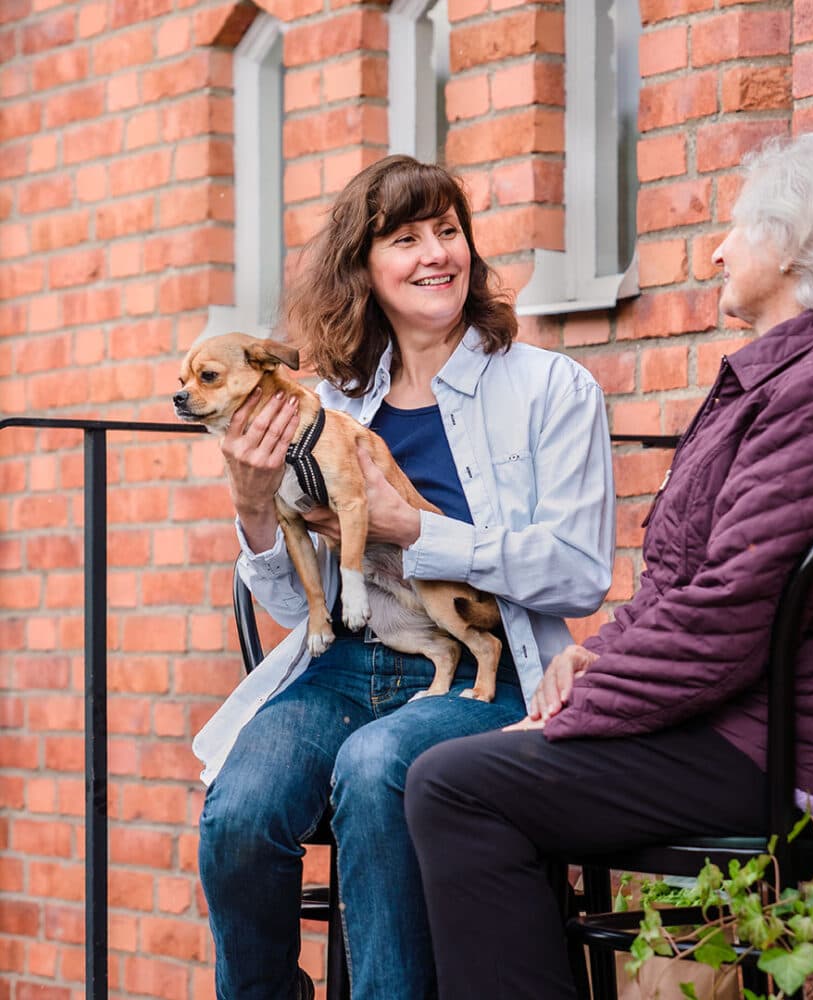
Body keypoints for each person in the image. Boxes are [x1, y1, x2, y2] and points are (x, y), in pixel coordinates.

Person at [405, 128, 813, 1000]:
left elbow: (732, 611)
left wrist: (573, 711)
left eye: (740, 227)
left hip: (799, 757)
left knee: (458, 783)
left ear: (798, 246)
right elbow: (690, 585)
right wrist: (595, 654)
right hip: (753, 726)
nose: (717, 248)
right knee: (464, 773)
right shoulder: (806, 378)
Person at [193, 155, 616, 1000]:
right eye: (405, 239)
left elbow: (578, 575)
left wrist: (415, 531)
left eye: (449, 232)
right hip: (344, 667)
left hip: (487, 671)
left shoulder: (550, 388)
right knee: (239, 813)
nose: (436, 255)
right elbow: (288, 602)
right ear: (365, 269)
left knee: (377, 767)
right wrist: (251, 504)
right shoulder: (333, 402)